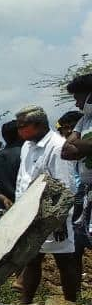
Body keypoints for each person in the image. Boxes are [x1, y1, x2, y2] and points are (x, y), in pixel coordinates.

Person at [15, 106, 80, 303]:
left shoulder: (57, 146)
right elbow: (23, 179)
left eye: (22, 126)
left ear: (38, 125)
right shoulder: (27, 146)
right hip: (28, 213)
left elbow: (64, 186)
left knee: (64, 260)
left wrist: (58, 220)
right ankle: (25, 304)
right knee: (32, 259)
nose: (19, 131)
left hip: (52, 214)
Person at [61, 72, 92, 254]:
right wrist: (87, 146)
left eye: (78, 98)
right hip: (86, 190)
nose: (76, 103)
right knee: (80, 239)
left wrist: (79, 145)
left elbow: (73, 144)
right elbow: (65, 149)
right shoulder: (84, 120)